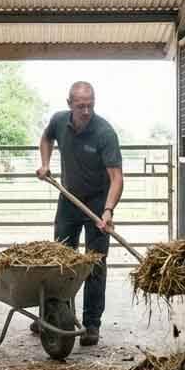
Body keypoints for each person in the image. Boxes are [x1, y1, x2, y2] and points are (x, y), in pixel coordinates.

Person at [34, 81, 124, 346]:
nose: (86, 111)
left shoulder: (104, 133)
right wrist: (45, 164)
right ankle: (55, 316)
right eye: (81, 106)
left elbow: (117, 178)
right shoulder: (59, 121)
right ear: (69, 104)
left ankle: (91, 324)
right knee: (61, 260)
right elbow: (46, 138)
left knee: (95, 263)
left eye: (90, 105)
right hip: (69, 199)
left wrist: (108, 210)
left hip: (97, 203)